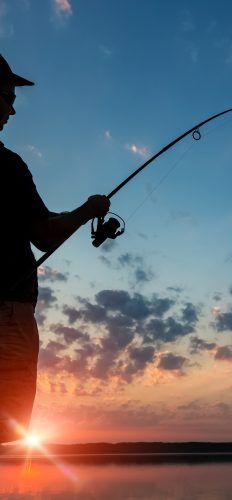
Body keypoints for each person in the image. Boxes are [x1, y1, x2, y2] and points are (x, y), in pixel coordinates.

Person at [0, 54, 110, 443]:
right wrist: (87, 211)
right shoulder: (6, 167)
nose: (12, 109)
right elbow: (44, 235)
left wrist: (73, 215)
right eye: (6, 96)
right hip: (7, 315)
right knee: (6, 427)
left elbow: (36, 220)